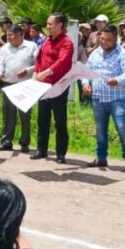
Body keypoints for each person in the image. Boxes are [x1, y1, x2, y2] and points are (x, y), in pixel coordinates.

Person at [82, 25, 125, 173]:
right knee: (100, 130)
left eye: (108, 40)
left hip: (117, 99)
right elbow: (86, 71)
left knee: (122, 128)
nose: (104, 42)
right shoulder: (95, 53)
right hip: (98, 98)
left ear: (115, 39)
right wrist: (85, 84)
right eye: (102, 39)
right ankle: (101, 158)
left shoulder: (123, 54)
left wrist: (117, 80)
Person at [30, 13, 74, 164]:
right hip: (43, 86)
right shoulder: (46, 40)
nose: (47, 26)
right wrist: (36, 72)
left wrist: (46, 72)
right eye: (47, 24)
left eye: (50, 24)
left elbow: (62, 61)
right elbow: (39, 58)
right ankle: (41, 149)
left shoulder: (67, 42)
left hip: (58, 86)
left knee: (59, 120)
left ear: (60, 25)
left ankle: (60, 153)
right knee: (42, 119)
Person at [0, 25, 38, 153]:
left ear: (20, 35)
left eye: (11, 35)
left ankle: (24, 143)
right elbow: (0, 63)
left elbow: (38, 64)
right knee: (8, 114)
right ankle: (6, 141)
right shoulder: (4, 48)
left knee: (25, 114)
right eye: (7, 35)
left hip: (25, 86)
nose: (8, 37)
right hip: (8, 84)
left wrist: (27, 70)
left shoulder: (31, 46)